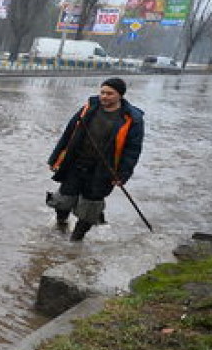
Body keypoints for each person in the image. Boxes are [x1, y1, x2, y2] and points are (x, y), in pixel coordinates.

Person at [46, 77, 145, 241]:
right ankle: (61, 224)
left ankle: (76, 241)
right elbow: (68, 133)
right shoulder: (88, 108)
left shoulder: (132, 119)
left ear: (120, 95)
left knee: (90, 208)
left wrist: (123, 175)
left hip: (103, 170)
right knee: (63, 200)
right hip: (76, 164)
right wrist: (55, 158)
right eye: (102, 92)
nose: (104, 96)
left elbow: (132, 150)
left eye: (109, 94)